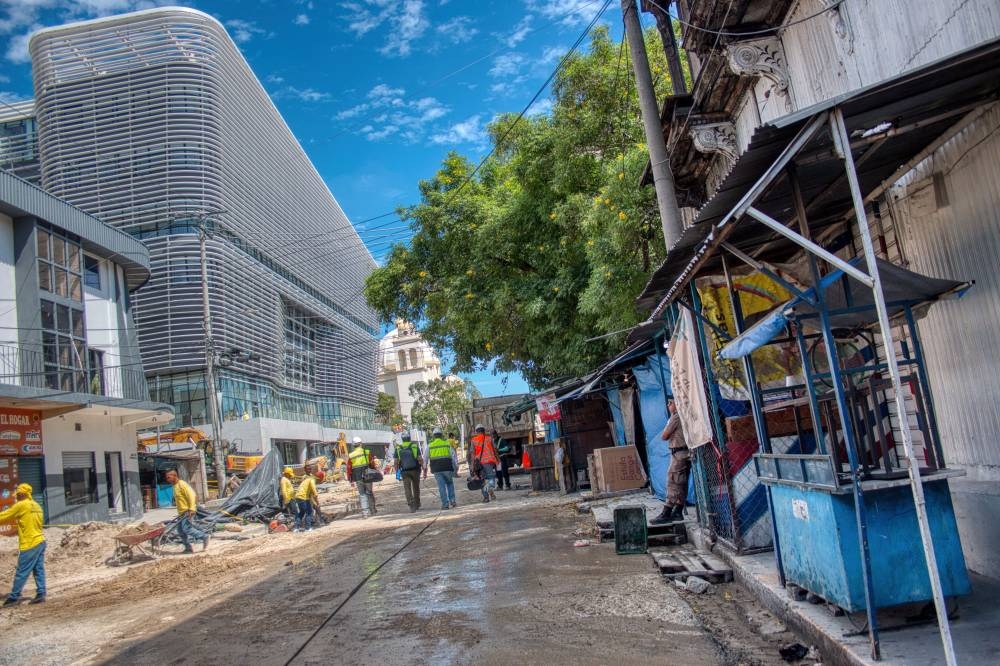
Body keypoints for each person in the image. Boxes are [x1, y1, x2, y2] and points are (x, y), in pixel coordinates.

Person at [1, 483, 46, 606]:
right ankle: (41, 593)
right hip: (40, 540)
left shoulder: (21, 505)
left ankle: (14, 597)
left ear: (21, 494)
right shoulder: (37, 505)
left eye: (18, 494)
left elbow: (4, 516)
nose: (17, 497)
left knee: (22, 571)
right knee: (38, 569)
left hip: (29, 543)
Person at [651, 399, 691, 525]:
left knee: (673, 481)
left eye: (671, 402)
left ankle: (666, 512)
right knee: (681, 482)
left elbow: (664, 435)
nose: (668, 405)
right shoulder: (683, 415)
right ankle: (678, 511)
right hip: (684, 451)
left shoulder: (676, 417)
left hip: (679, 453)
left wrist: (669, 424)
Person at [165, 469, 209, 553]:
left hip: (187, 511)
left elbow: (192, 495)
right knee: (180, 531)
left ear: (174, 476)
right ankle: (188, 548)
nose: (168, 480)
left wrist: (192, 509)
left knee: (187, 529)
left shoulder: (182, 484)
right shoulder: (175, 486)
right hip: (181, 513)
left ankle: (204, 536)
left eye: (169, 477)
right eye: (167, 478)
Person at [427, 427, 457, 509]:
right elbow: (453, 456)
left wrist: (425, 470)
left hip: (436, 470)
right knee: (450, 483)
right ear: (441, 436)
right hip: (447, 468)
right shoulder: (447, 444)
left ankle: (445, 504)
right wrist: (455, 467)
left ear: (434, 436)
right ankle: (453, 500)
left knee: (441, 486)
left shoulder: (430, 445)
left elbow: (425, 458)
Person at [348, 436, 377, 517]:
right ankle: (373, 510)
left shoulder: (351, 455)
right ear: (361, 444)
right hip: (367, 475)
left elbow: (349, 468)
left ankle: (365, 512)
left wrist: (350, 480)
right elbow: (372, 463)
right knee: (369, 492)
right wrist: (374, 472)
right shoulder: (367, 452)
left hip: (357, 477)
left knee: (362, 494)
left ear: (353, 445)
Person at [394, 432, 424, 512]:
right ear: (409, 438)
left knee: (407, 488)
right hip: (415, 470)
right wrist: (423, 467)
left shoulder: (398, 448)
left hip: (404, 471)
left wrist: (397, 473)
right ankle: (417, 503)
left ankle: (411, 505)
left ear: (402, 439)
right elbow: (420, 458)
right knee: (416, 487)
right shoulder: (414, 446)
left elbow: (396, 462)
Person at [471, 424, 499, 502]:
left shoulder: (473, 440)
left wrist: (472, 465)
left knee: (481, 480)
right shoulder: (490, 439)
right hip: (489, 461)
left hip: (479, 463)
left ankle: (486, 497)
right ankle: (490, 487)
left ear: (477, 431)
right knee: (491, 477)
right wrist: (498, 460)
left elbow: (473, 454)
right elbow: (495, 450)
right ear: (484, 431)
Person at [293, 465, 319, 531]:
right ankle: (308, 528)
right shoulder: (311, 480)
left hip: (299, 496)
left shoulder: (307, 479)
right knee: (309, 512)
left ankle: (296, 528)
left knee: (302, 512)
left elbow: (310, 493)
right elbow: (314, 492)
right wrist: (317, 502)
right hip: (303, 497)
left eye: (310, 469)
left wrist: (314, 502)